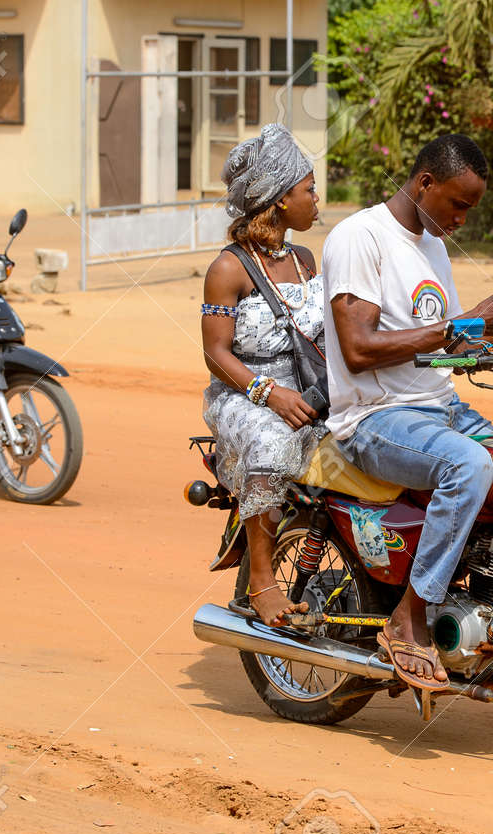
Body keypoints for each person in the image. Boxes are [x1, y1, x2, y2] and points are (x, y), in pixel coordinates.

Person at [322, 133, 493, 711]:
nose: (462, 220)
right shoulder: (359, 238)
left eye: (470, 209)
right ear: (424, 184)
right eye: (457, 205)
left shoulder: (431, 245)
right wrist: (463, 322)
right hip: (374, 417)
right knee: (467, 464)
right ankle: (409, 616)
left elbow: (451, 354)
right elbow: (359, 347)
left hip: (441, 409)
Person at [201, 124, 324, 627]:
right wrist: (269, 394)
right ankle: (261, 580)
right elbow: (215, 353)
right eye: (308, 190)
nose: (317, 199)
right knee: (271, 444)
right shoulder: (228, 269)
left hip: (306, 387)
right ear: (278, 202)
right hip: (244, 394)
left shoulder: (305, 260)